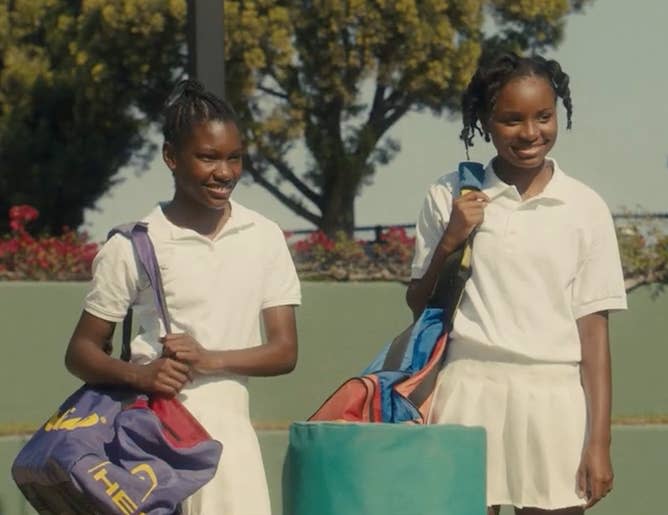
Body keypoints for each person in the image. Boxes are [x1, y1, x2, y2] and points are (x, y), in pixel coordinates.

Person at [65, 78, 301, 515]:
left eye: (234, 158)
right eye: (208, 157)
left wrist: (208, 358)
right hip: (152, 448)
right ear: (171, 158)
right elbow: (80, 352)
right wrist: (141, 376)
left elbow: (284, 352)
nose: (225, 172)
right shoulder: (136, 243)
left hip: (232, 444)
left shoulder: (264, 236)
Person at [406, 51, 627, 515]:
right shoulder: (449, 194)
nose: (530, 133)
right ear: (485, 122)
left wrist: (599, 442)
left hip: (554, 399)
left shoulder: (584, 207)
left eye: (543, 117)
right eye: (511, 119)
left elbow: (595, 336)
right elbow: (418, 304)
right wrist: (451, 237)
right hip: (467, 392)